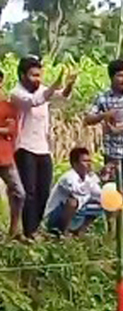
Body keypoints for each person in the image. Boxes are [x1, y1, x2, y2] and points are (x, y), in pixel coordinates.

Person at [12, 56, 76, 239]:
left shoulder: (42, 89)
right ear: (22, 75)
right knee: (29, 192)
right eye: (33, 75)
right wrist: (55, 84)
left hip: (43, 148)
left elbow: (61, 97)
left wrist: (68, 85)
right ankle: (29, 231)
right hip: (25, 148)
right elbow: (35, 101)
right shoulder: (17, 93)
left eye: (39, 75)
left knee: (44, 191)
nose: (37, 79)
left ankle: (35, 227)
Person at [84, 59, 123, 228]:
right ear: (112, 77)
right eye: (120, 75)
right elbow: (88, 119)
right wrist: (104, 115)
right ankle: (112, 225)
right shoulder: (102, 97)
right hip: (112, 151)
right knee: (111, 189)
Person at [43, 147, 104, 236]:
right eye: (84, 161)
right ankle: (63, 232)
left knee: (101, 204)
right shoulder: (68, 178)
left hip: (78, 214)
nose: (88, 164)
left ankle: (81, 231)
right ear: (75, 164)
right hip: (56, 216)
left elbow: (99, 194)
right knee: (72, 202)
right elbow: (78, 191)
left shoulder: (88, 178)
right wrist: (96, 178)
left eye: (89, 161)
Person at [0, 70, 25, 239]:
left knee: (19, 193)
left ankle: (14, 231)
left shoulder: (8, 107)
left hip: (5, 157)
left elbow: (10, 129)